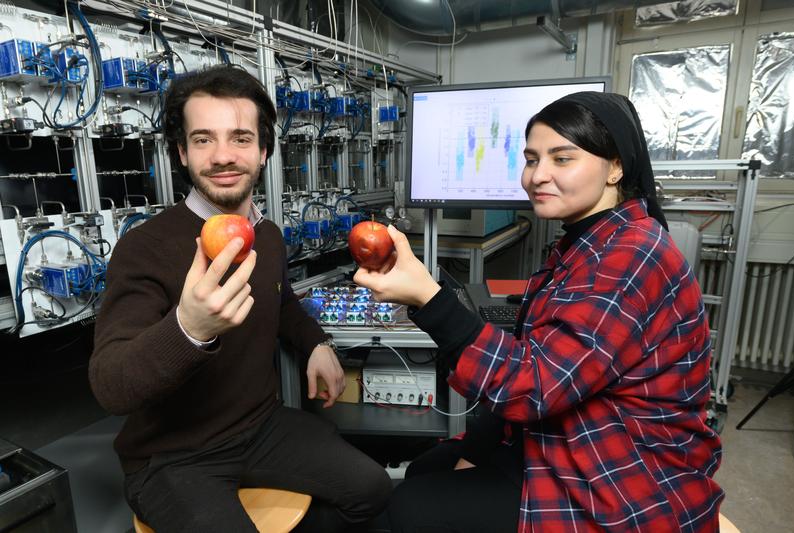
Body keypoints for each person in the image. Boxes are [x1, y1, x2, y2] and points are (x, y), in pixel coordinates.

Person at [354, 92, 723, 532]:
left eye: (562, 159)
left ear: (617, 167)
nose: (537, 176)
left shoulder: (631, 255)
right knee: (424, 471)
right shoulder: (586, 243)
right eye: (531, 159)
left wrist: (430, 300)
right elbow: (536, 358)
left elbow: (534, 386)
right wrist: (477, 448)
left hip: (621, 472)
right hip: (561, 437)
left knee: (409, 507)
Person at [89, 65, 391, 533]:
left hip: (258, 427)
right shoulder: (145, 246)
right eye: (204, 139)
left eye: (241, 138)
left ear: (264, 151)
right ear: (182, 153)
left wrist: (315, 343)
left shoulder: (265, 234)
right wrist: (188, 330)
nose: (223, 156)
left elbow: (281, 299)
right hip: (172, 456)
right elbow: (110, 385)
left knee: (372, 489)